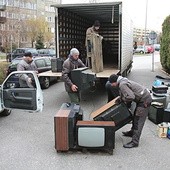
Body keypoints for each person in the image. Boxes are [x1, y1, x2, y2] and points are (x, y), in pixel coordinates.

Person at [108, 74, 152, 148]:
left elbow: (131, 97)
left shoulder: (122, 84)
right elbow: (126, 93)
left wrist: (123, 100)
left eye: (112, 83)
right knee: (135, 117)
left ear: (115, 81)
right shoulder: (122, 81)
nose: (112, 85)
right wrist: (121, 98)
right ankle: (132, 132)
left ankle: (135, 142)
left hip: (144, 100)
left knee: (138, 121)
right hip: (142, 99)